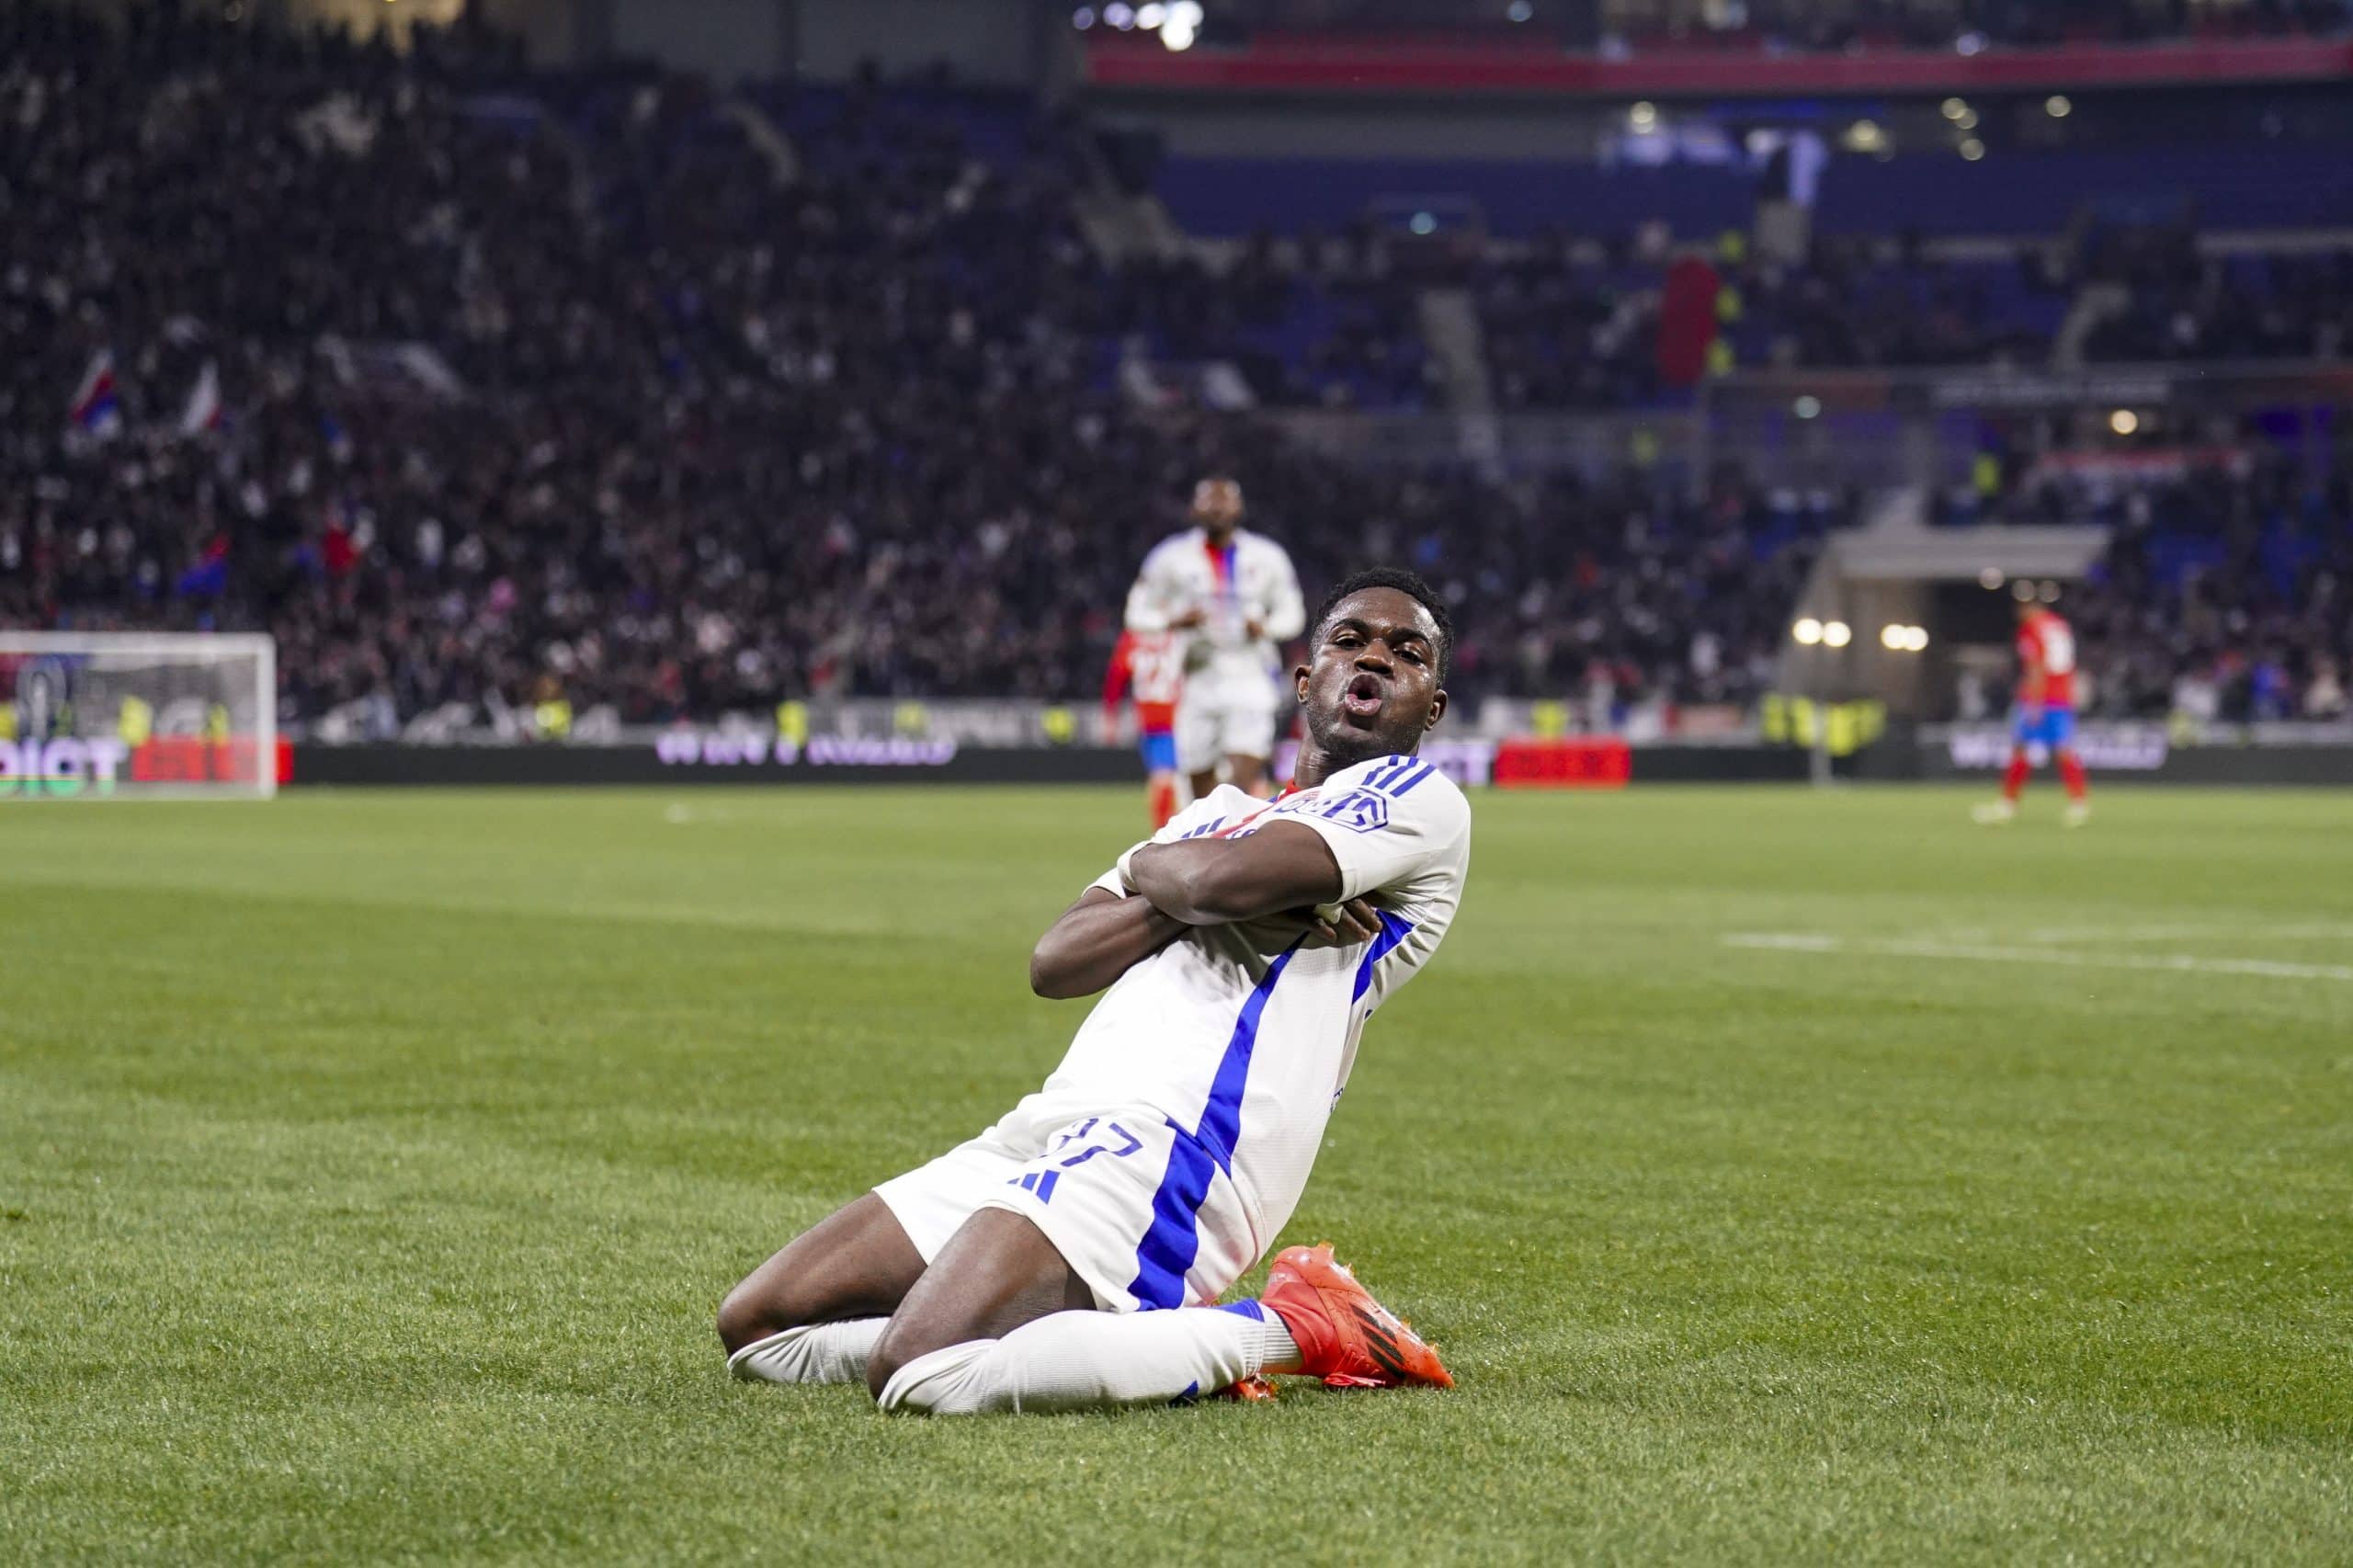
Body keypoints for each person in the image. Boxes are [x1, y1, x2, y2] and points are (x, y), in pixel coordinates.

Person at [718, 568, 1470, 1415]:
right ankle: (1139, 1340)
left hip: (1184, 1141)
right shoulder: (1212, 811)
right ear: (1305, 679)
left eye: (1406, 654)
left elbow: (1215, 887)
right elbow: (1059, 961)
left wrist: (1188, 880)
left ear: (1430, 708)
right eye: (1349, 640)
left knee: (918, 1370)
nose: (1373, 660)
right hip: (1052, 1125)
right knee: (758, 1330)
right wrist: (1188, 880)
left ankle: (1296, 1326)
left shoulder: (1419, 803)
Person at [1124, 477, 1306, 802]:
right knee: (1198, 783)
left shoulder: (1267, 557)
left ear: (1239, 508)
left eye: (1225, 501)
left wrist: (1265, 627)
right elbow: (1136, 614)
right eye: (1210, 501)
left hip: (1250, 673)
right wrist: (1172, 621)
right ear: (1194, 509)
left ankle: (1230, 832)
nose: (1218, 508)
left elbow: (1293, 614)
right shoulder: (1170, 557)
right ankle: (1209, 837)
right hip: (1198, 675)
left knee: (1241, 772)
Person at [1976, 585, 2090, 827]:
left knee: (2024, 748)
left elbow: (2036, 666)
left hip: (2041, 697)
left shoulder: (2031, 629)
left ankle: (2008, 804)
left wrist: (2035, 702)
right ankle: (2078, 804)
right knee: (2063, 749)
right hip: (2062, 694)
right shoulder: (2058, 624)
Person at [1102, 627, 1187, 829]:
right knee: (1167, 780)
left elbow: (1115, 678)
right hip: (1169, 720)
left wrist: (1110, 716)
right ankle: (1167, 835)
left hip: (1165, 722)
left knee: (1164, 780)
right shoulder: (1181, 635)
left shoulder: (1134, 638)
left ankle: (1165, 835)